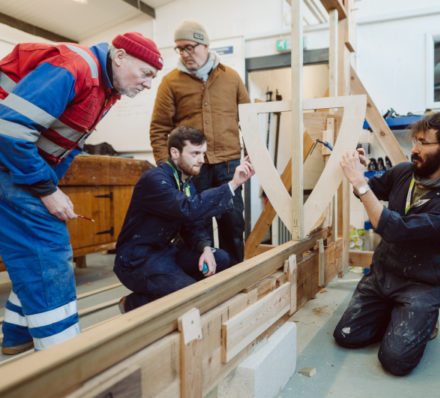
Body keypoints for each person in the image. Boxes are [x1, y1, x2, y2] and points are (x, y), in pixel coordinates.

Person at [0, 32, 163, 354]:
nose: (147, 85)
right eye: (146, 73)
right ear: (119, 57)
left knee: (33, 255)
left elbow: (67, 142)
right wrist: (47, 191)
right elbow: (11, 130)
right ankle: (62, 356)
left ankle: (18, 337)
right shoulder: (73, 67)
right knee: (48, 254)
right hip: (9, 165)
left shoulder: (106, 89)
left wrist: (53, 187)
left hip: (20, 168)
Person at [333, 111, 440, 375]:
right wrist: (360, 175)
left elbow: (397, 230)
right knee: (346, 335)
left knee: (395, 361)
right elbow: (370, 190)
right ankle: (395, 312)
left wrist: (360, 183)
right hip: (383, 273)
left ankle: (424, 318)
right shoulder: (403, 173)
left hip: (421, 282)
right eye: (415, 141)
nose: (414, 149)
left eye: (423, 143)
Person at [114, 126, 255, 312]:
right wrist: (233, 184)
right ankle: (133, 303)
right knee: (189, 295)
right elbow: (188, 209)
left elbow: (192, 224)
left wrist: (205, 248)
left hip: (164, 252)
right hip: (137, 260)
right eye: (195, 153)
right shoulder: (155, 180)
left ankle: (172, 286)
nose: (201, 160)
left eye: (203, 154)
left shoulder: (184, 181)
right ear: (175, 153)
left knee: (220, 258)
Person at [150, 20, 250, 264]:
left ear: (205, 44)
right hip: (192, 170)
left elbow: (249, 122)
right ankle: (202, 283)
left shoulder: (232, 78)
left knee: (233, 225)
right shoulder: (170, 82)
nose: (185, 54)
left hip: (229, 166)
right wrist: (170, 168)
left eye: (190, 47)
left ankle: (234, 279)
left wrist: (254, 156)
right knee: (195, 228)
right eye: (180, 49)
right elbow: (159, 128)